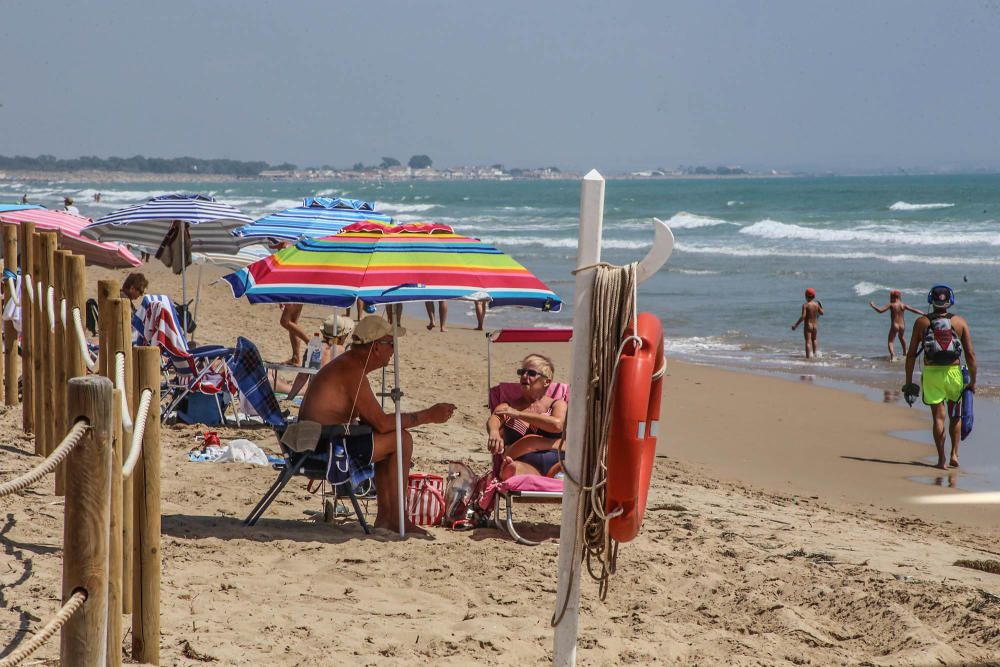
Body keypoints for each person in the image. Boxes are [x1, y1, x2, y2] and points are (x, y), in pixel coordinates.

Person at [298, 316, 456, 533]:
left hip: (318, 441)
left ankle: (388, 518)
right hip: (323, 448)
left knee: (394, 439)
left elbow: (374, 421)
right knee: (401, 440)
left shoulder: (349, 365)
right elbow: (381, 423)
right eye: (391, 344)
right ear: (375, 347)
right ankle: (396, 518)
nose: (393, 350)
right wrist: (429, 415)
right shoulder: (351, 371)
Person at [903, 285, 976, 470]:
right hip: (953, 373)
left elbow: (911, 354)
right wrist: (973, 382)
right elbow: (970, 354)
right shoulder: (960, 322)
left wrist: (909, 381)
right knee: (955, 414)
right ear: (950, 301)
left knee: (939, 417)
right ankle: (954, 454)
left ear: (931, 300)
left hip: (932, 373)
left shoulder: (921, 322)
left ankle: (941, 459)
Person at [486, 354, 567, 480]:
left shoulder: (557, 404)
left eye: (531, 373)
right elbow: (495, 418)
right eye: (522, 372)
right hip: (524, 464)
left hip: (556, 462)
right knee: (515, 469)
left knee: (562, 470)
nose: (524, 376)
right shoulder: (509, 405)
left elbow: (556, 425)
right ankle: (518, 474)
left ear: (547, 381)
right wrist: (494, 431)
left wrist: (518, 414)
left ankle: (554, 477)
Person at [277, 314, 354, 400]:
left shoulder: (314, 347)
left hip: (313, 397)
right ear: (341, 336)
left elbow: (302, 376)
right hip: (332, 398)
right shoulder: (342, 351)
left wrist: (290, 397)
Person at [869, 289, 923, 362]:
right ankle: (905, 353)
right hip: (902, 325)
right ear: (899, 297)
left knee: (890, 342)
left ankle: (893, 355)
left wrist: (873, 305)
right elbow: (914, 310)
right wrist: (923, 313)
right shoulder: (903, 305)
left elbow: (880, 311)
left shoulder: (891, 305)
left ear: (893, 297)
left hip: (895, 325)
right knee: (901, 337)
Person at [791, 287, 824, 359]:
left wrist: (795, 325)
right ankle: (816, 354)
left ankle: (808, 357)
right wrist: (821, 306)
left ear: (806, 296)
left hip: (808, 326)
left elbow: (803, 317)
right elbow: (822, 313)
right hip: (815, 326)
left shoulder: (805, 305)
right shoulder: (816, 305)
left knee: (808, 342)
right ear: (814, 296)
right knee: (814, 339)